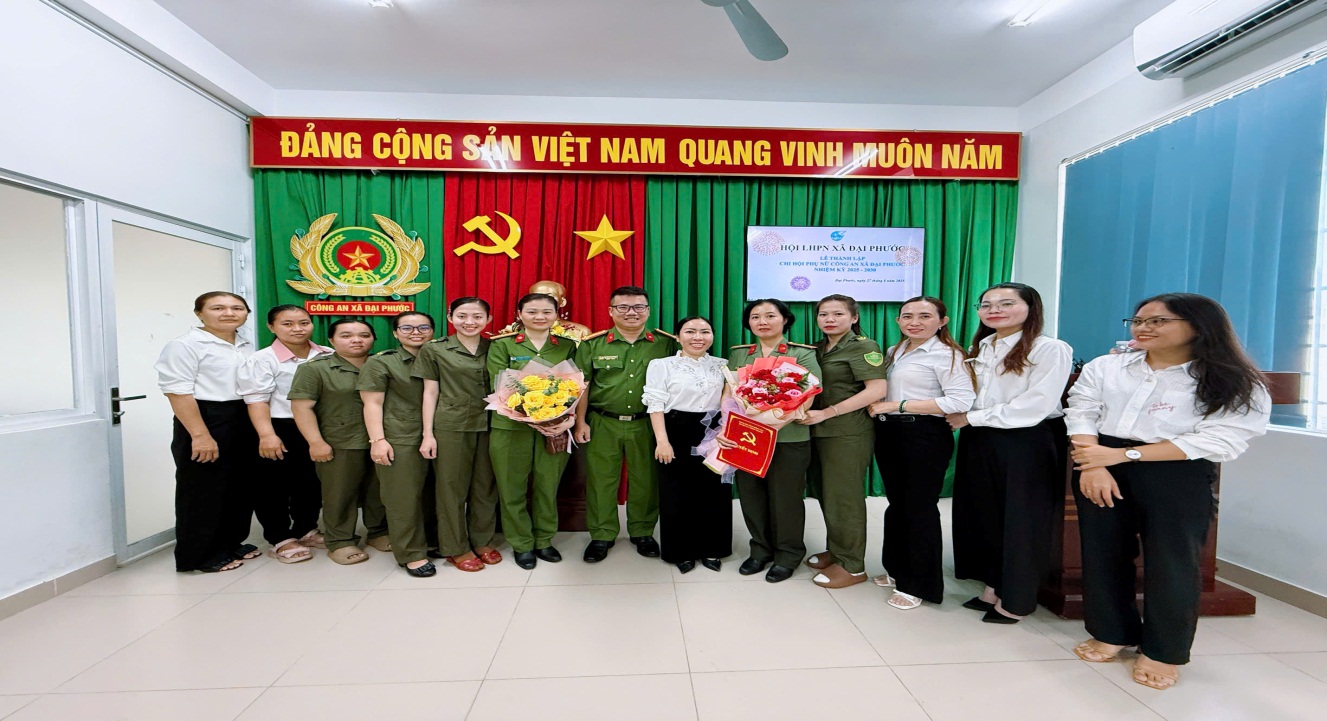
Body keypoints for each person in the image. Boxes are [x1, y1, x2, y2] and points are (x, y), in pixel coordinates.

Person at [1066, 293, 1270, 690]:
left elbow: (1220, 439)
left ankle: (1163, 651)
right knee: (1103, 551)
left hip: (1175, 470)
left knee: (1173, 561)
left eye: (1159, 321)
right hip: (1100, 461)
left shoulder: (1232, 379)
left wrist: (1122, 456)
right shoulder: (1107, 366)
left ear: (1199, 326)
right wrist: (1093, 464)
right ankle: (1111, 631)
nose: (1143, 328)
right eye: (1138, 320)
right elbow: (1082, 409)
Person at [947, 282, 1072, 623]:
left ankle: (1017, 600)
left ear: (1031, 308)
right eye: (986, 304)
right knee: (985, 515)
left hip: (1025, 439)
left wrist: (971, 418)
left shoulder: (1050, 349)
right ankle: (993, 586)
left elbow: (1036, 404)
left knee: (1021, 520)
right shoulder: (982, 346)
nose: (994, 310)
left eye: (1006, 303)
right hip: (979, 437)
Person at [867, 296, 976, 609]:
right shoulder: (895, 350)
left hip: (924, 435)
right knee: (897, 505)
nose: (914, 322)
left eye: (925, 316)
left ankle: (919, 584)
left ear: (942, 321)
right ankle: (896, 569)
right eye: (907, 316)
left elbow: (960, 401)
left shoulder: (948, 355)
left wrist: (898, 405)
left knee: (919, 508)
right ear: (898, 321)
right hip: (890, 433)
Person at [155, 291, 259, 573]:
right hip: (205, 418)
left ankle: (230, 543)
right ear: (199, 313)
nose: (229, 313)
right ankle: (200, 555)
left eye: (237, 308)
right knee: (203, 489)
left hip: (242, 416)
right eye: (218, 308)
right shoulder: (184, 345)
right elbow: (178, 392)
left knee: (239, 486)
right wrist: (200, 435)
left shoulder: (245, 343)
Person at [573, 286, 678, 563]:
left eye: (638, 307)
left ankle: (642, 532)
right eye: (623, 307)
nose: (631, 312)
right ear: (611, 311)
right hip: (602, 421)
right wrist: (580, 422)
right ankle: (602, 535)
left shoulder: (666, 344)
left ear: (648, 311)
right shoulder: (593, 344)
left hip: (647, 423)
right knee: (601, 480)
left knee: (645, 480)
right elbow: (582, 386)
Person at [726, 299, 821, 583]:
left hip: (788, 437)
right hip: (746, 437)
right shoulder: (739, 354)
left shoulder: (801, 354)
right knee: (751, 496)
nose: (763, 321)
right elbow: (729, 393)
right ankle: (760, 550)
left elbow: (809, 393)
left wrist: (775, 422)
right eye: (755, 317)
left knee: (785, 498)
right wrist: (727, 426)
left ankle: (788, 554)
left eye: (770, 315)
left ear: (785, 320)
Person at [798, 295, 888, 588]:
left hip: (847, 432)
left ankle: (852, 566)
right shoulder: (817, 348)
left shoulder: (864, 346)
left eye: (838, 314)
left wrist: (829, 412)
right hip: (817, 431)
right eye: (823, 314)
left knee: (844, 498)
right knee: (827, 494)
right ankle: (837, 552)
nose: (829, 319)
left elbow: (876, 389)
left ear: (854, 317)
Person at [488, 293, 578, 570]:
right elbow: (498, 383)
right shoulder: (502, 345)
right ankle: (522, 543)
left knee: (547, 486)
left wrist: (564, 416)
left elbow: (575, 385)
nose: (540, 317)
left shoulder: (567, 346)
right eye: (532, 311)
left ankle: (544, 540)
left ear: (557, 315)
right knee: (511, 488)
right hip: (510, 427)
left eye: (547, 312)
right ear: (519, 314)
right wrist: (529, 413)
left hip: (553, 427)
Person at [289, 319, 390, 565]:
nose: (356, 340)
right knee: (340, 494)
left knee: (378, 491)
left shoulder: (382, 365)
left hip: (382, 439)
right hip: (339, 441)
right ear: (331, 340)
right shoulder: (315, 369)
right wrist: (315, 442)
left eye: (364, 335)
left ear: (373, 339)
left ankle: (378, 532)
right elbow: (301, 407)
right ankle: (340, 541)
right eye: (346, 335)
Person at [236, 305, 331, 564]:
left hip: (318, 427)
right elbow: (256, 400)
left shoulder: (327, 354)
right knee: (273, 485)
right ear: (271, 327)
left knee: (311, 482)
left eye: (304, 323)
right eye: (287, 324)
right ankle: (279, 537)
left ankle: (305, 528)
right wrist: (267, 435)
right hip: (279, 426)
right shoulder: (262, 359)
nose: (297, 329)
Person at [415, 298, 502, 571]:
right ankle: (456, 547)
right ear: (450, 317)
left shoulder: (496, 347)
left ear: (488, 319)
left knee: (485, 486)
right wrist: (427, 434)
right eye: (462, 316)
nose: (470, 322)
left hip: (491, 424)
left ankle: (482, 540)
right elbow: (430, 392)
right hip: (451, 425)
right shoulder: (435, 349)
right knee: (451, 488)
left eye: (477, 316)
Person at [642, 316, 731, 573]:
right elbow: (655, 404)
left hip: (714, 431)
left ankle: (713, 548)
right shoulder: (662, 365)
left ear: (712, 335)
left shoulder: (722, 365)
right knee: (676, 492)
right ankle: (681, 551)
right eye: (690, 331)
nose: (698, 337)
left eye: (705, 331)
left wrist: (726, 430)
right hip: (675, 430)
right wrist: (662, 441)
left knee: (715, 491)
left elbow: (729, 401)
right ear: (678, 336)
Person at [359, 312, 437, 577]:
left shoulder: (440, 357)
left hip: (442, 433)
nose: (416, 332)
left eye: (423, 327)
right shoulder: (382, 362)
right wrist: (377, 440)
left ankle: (432, 541)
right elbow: (372, 403)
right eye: (407, 328)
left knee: (433, 495)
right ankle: (411, 554)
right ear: (395, 333)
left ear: (433, 330)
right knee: (403, 498)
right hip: (400, 436)